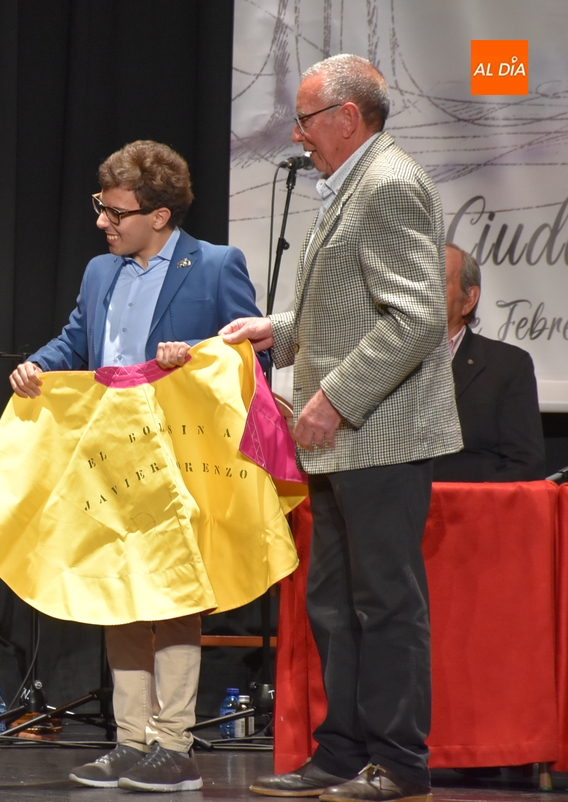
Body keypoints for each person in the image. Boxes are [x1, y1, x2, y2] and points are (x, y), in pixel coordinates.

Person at [222, 54, 460, 802]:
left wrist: (337, 398)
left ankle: (399, 763)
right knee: (332, 604)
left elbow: (417, 317)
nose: (298, 133)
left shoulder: (388, 184)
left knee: (384, 604)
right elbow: (348, 310)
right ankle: (339, 754)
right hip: (341, 442)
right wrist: (276, 332)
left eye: (306, 119)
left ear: (346, 118)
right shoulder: (351, 183)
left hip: (380, 435)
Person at [9, 140, 263, 793]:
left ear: (160, 215)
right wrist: (39, 363)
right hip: (111, 452)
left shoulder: (214, 266)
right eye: (101, 208)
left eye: (116, 212)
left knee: (174, 596)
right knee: (118, 593)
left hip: (181, 457)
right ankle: (130, 741)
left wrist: (198, 357)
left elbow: (250, 361)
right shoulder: (101, 271)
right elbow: (77, 339)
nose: (103, 222)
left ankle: (174, 745)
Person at [432, 242, 544, 482]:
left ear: (469, 299)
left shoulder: (508, 365)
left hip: (468, 510)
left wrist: (473, 505)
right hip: (390, 509)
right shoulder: (380, 360)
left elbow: (524, 464)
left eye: (437, 278)